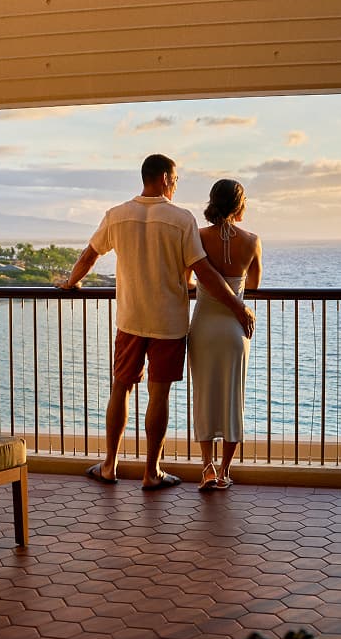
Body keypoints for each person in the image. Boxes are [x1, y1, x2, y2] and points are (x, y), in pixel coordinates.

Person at [59, 155, 255, 490]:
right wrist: (238, 306)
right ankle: (152, 472)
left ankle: (109, 465)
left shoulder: (117, 215)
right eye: (175, 180)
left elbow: (90, 254)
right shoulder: (181, 219)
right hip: (168, 322)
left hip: (131, 318)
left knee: (121, 388)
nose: (176, 185)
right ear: (164, 178)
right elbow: (204, 271)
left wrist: (70, 282)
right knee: (158, 395)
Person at [188, 179, 262, 490]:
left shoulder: (198, 237)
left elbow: (187, 280)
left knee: (204, 397)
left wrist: (203, 287)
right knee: (233, 399)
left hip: (204, 327)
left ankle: (206, 467)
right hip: (235, 328)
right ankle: (224, 472)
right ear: (239, 205)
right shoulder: (252, 241)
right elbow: (253, 285)